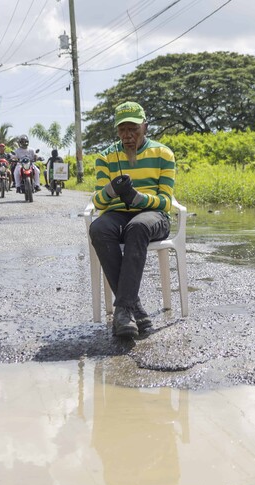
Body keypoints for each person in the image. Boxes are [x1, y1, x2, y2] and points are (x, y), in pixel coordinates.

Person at [88, 101, 176, 339]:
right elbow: (98, 203)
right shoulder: (106, 157)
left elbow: (166, 202)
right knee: (98, 229)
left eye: (133, 129)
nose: (127, 136)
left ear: (145, 127)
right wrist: (111, 190)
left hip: (153, 217)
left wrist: (138, 198)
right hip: (117, 214)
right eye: (122, 130)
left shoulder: (163, 154)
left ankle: (124, 310)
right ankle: (132, 309)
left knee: (137, 227)